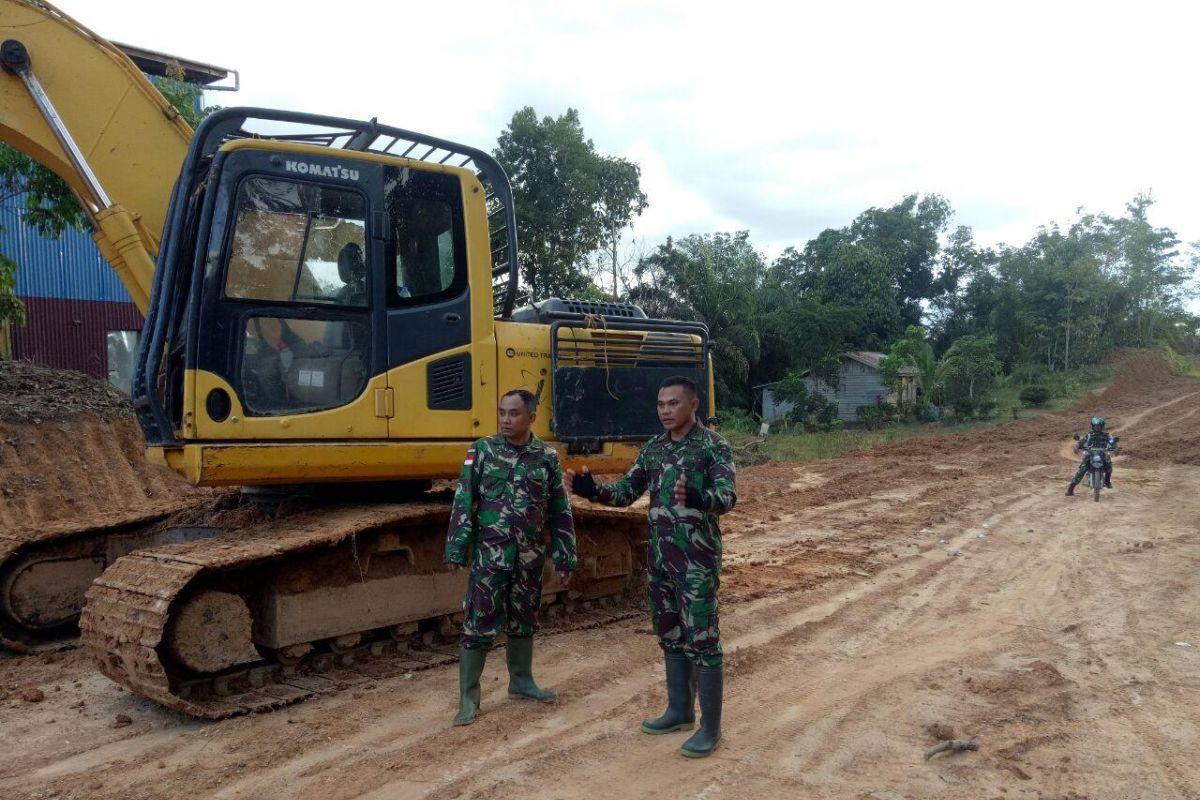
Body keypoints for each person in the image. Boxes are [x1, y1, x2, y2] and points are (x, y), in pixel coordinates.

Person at [567, 376, 736, 758]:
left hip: (696, 561)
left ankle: (711, 728)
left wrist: (700, 496)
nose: (664, 410)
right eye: (660, 404)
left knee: (703, 640)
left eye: (673, 403)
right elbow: (627, 493)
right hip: (660, 560)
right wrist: (592, 492)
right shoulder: (654, 449)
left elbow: (727, 498)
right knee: (670, 633)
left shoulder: (713, 447)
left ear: (693, 405)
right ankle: (679, 711)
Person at [444, 389, 576, 726]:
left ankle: (521, 682)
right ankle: (469, 699)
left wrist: (565, 556)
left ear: (531, 417)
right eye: (502, 412)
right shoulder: (483, 450)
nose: (505, 419)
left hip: (529, 558)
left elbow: (560, 511)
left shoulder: (546, 457)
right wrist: (456, 548)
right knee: (478, 625)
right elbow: (464, 499)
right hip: (491, 556)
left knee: (524, 620)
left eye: (513, 413)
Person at [1066, 416, 1118, 496]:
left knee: (1108, 465)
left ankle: (1107, 481)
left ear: (1102, 426)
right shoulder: (1089, 435)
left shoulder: (1106, 435)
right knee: (1082, 469)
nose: (1097, 428)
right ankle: (1071, 489)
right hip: (1090, 453)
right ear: (1092, 426)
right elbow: (1081, 441)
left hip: (1102, 453)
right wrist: (1077, 446)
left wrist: (1115, 448)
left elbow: (1112, 441)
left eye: (1099, 426)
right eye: (1096, 426)